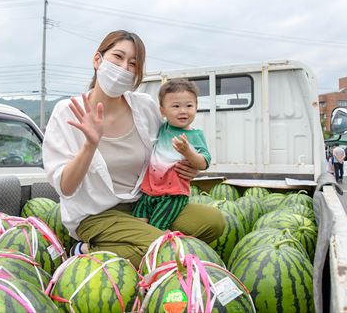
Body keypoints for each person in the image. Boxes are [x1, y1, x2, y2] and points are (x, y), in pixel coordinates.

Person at [42, 30, 224, 267]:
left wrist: (189, 165)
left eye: (133, 63)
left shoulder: (145, 107)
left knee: (213, 221)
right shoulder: (67, 111)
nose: (124, 67)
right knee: (164, 250)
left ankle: (118, 247)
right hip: (96, 215)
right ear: (97, 60)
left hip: (144, 204)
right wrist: (90, 144)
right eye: (118, 57)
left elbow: (169, 144)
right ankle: (83, 249)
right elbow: (65, 187)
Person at [132, 79, 210, 230]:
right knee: (138, 224)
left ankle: (164, 249)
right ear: (163, 111)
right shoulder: (162, 128)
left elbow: (204, 163)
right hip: (148, 191)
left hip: (173, 195)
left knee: (156, 228)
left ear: (196, 107)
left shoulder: (195, 135)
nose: (183, 111)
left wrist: (188, 152)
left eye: (189, 106)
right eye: (176, 106)